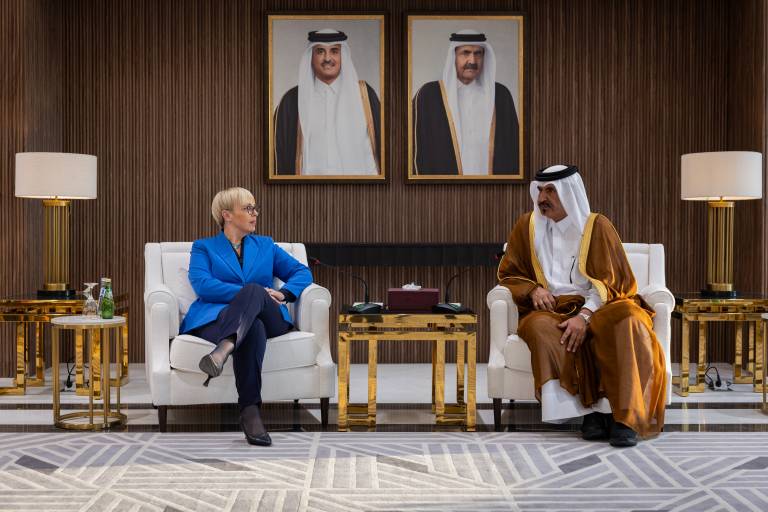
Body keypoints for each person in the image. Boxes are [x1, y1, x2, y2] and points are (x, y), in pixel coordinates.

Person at [496, 165, 667, 447]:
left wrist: (585, 316)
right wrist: (533, 289)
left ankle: (624, 418)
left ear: (569, 193)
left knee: (628, 319)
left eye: (551, 191)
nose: (542, 198)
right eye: (540, 191)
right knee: (539, 327)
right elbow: (510, 272)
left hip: (601, 305)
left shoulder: (597, 226)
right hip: (553, 308)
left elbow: (612, 281)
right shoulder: (527, 227)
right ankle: (588, 414)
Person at [180, 187, 312, 446]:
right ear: (227, 215)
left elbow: (302, 272)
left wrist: (283, 293)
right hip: (217, 318)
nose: (255, 214)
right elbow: (203, 284)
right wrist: (250, 293)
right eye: (247, 208)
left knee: (254, 297)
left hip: (271, 317)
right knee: (253, 328)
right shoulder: (204, 247)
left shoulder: (266, 245)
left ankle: (223, 349)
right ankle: (250, 413)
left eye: (254, 208)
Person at [274, 29, 381, 175]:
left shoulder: (365, 96)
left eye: (334, 51)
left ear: (343, 56)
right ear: (311, 56)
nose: (327, 58)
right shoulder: (291, 101)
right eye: (320, 51)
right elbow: (278, 158)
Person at [412, 29, 519, 175]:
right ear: (454, 56)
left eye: (478, 53)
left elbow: (514, 149)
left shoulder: (501, 95)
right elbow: (415, 151)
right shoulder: (429, 95)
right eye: (465, 53)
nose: (472, 61)